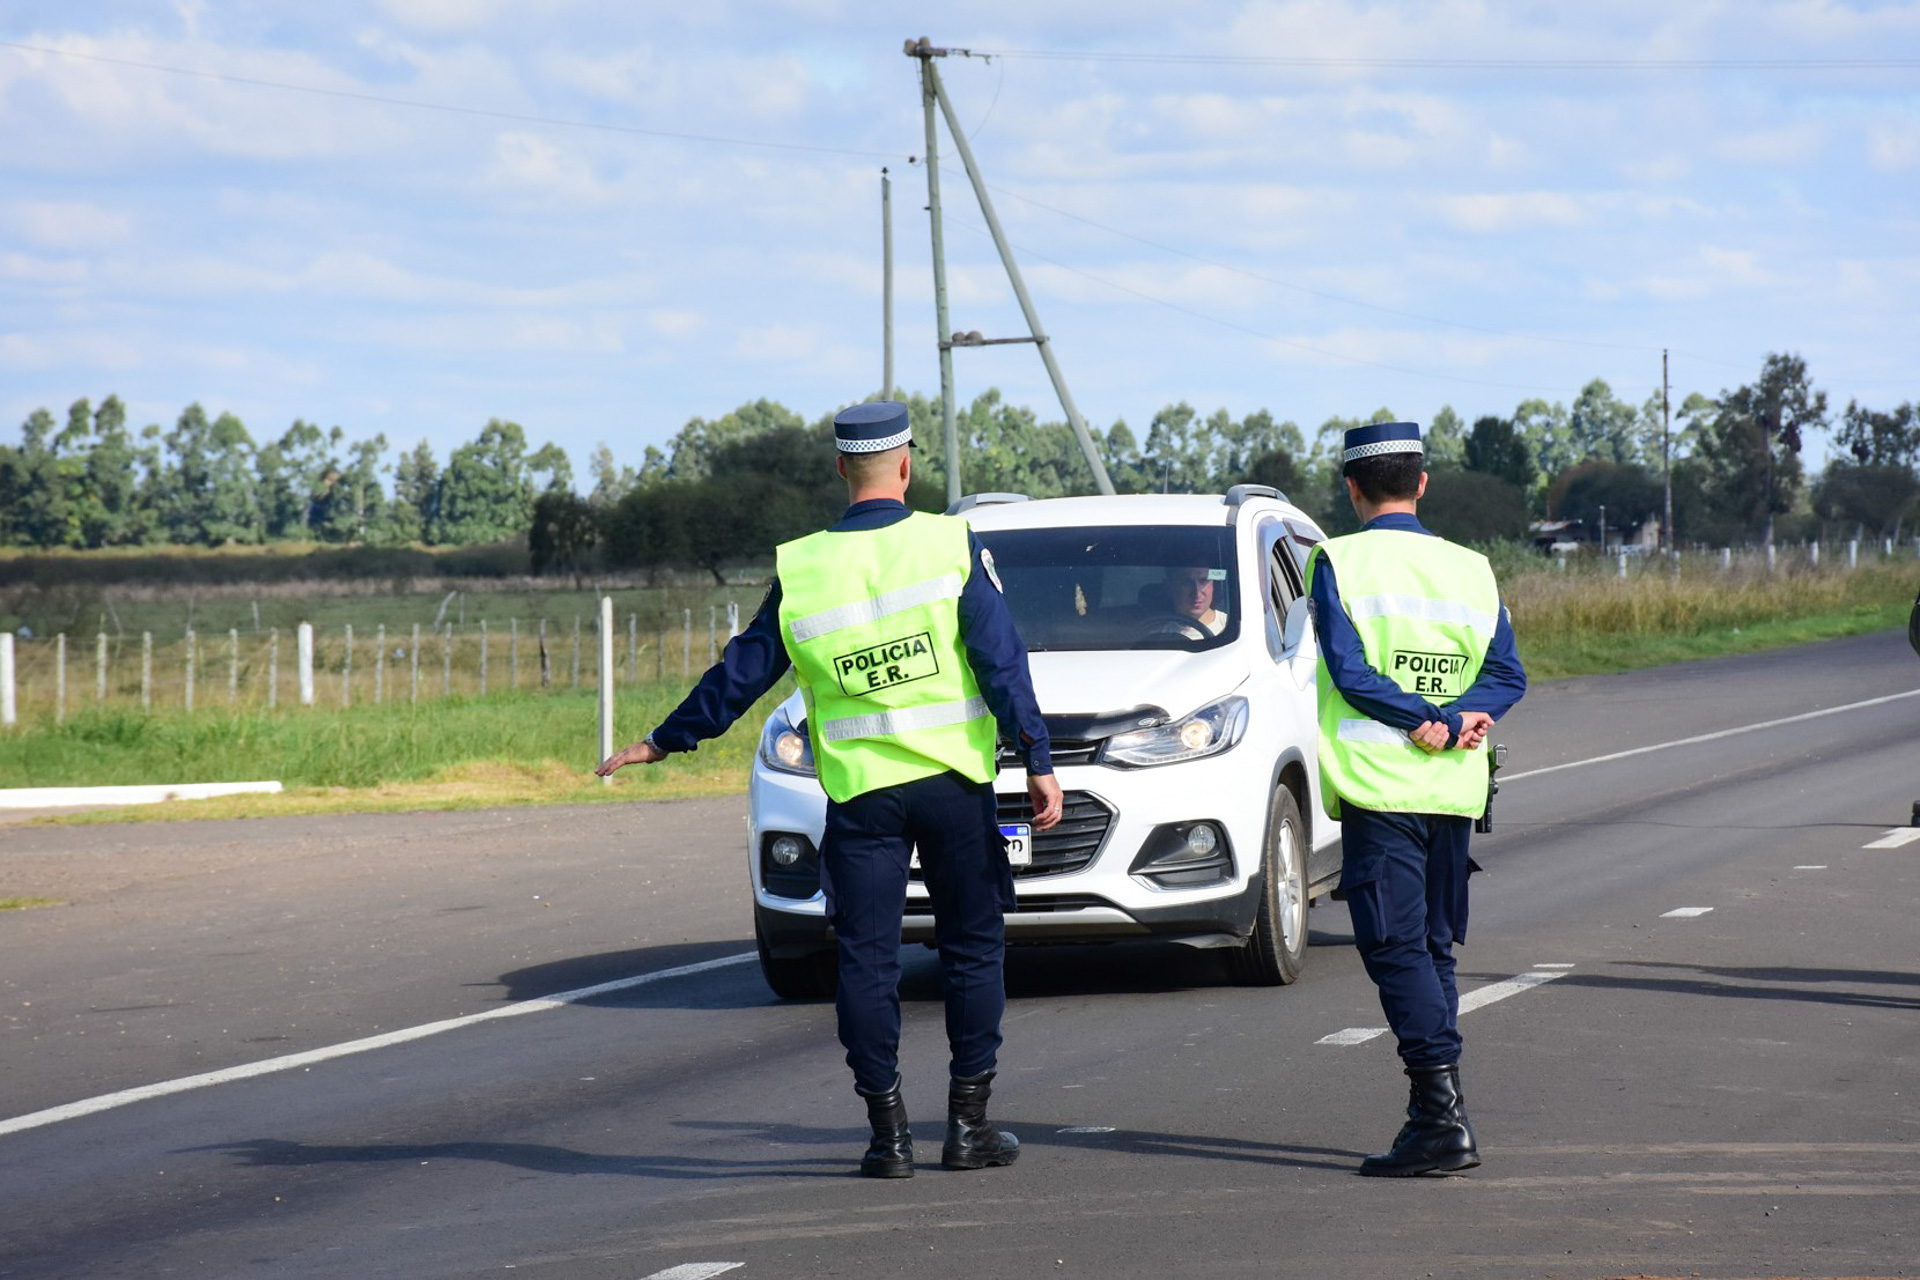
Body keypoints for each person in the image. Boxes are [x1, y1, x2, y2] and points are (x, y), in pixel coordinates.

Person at [597, 400, 1063, 1180]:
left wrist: (662, 740)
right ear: (906, 464)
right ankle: (967, 1127)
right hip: (952, 784)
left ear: (841, 469)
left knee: (867, 962)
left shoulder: (804, 567)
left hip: (860, 798)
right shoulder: (948, 543)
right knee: (974, 949)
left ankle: (888, 1139)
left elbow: (741, 673)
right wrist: (1039, 757)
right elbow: (1000, 659)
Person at [1304, 421, 1528, 1177]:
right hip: (1457, 790)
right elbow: (1508, 674)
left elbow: (1349, 671)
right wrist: (1462, 712)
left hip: (1386, 785)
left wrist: (1425, 720)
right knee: (1430, 950)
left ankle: (1441, 1118)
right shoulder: (1472, 568)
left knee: (1396, 950)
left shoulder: (1337, 559)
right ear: (1422, 482)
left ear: (1352, 486)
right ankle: (1434, 1115)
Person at [1163, 563, 1230, 637]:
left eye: (1203, 581)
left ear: (1213, 585)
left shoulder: (1231, 626)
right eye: (1187, 582)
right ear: (1169, 587)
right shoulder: (1158, 635)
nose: (1197, 592)